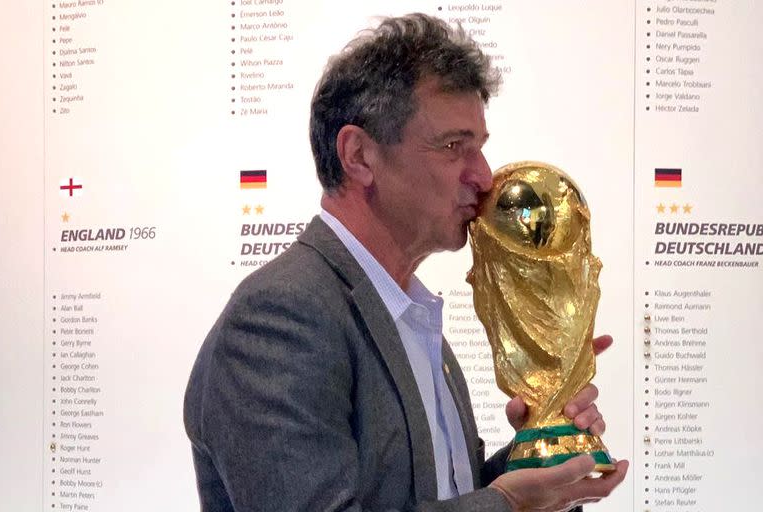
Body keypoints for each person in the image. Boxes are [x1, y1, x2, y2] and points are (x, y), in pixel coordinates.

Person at [184, 13, 628, 511]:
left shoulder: (412, 318)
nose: (483, 176)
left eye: (480, 147)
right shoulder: (280, 316)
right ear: (359, 156)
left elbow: (434, 496)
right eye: (453, 146)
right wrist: (506, 504)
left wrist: (537, 455)